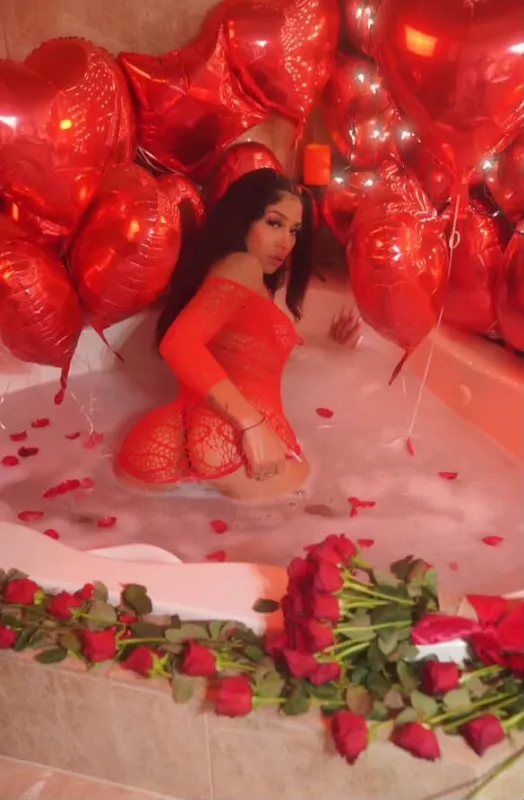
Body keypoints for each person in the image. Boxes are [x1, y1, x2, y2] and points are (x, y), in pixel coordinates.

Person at [115, 168, 361, 501]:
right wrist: (253, 425)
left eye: (294, 230)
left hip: (186, 435)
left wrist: (327, 344)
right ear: (242, 220)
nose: (286, 242)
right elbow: (179, 343)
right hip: (228, 433)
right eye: (274, 223)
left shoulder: (241, 278)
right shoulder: (242, 266)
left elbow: (246, 357)